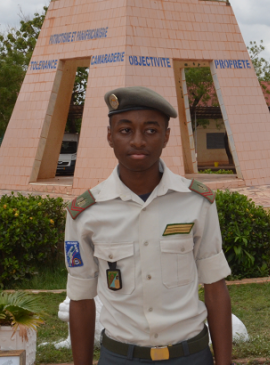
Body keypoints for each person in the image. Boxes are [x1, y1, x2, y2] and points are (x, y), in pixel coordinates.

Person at [65, 86, 234, 365]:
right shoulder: (85, 214)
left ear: (167, 136)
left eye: (151, 130)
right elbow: (81, 298)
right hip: (120, 357)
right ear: (110, 136)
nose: (139, 141)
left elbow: (215, 285)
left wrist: (224, 363)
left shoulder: (196, 202)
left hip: (190, 356)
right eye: (125, 130)